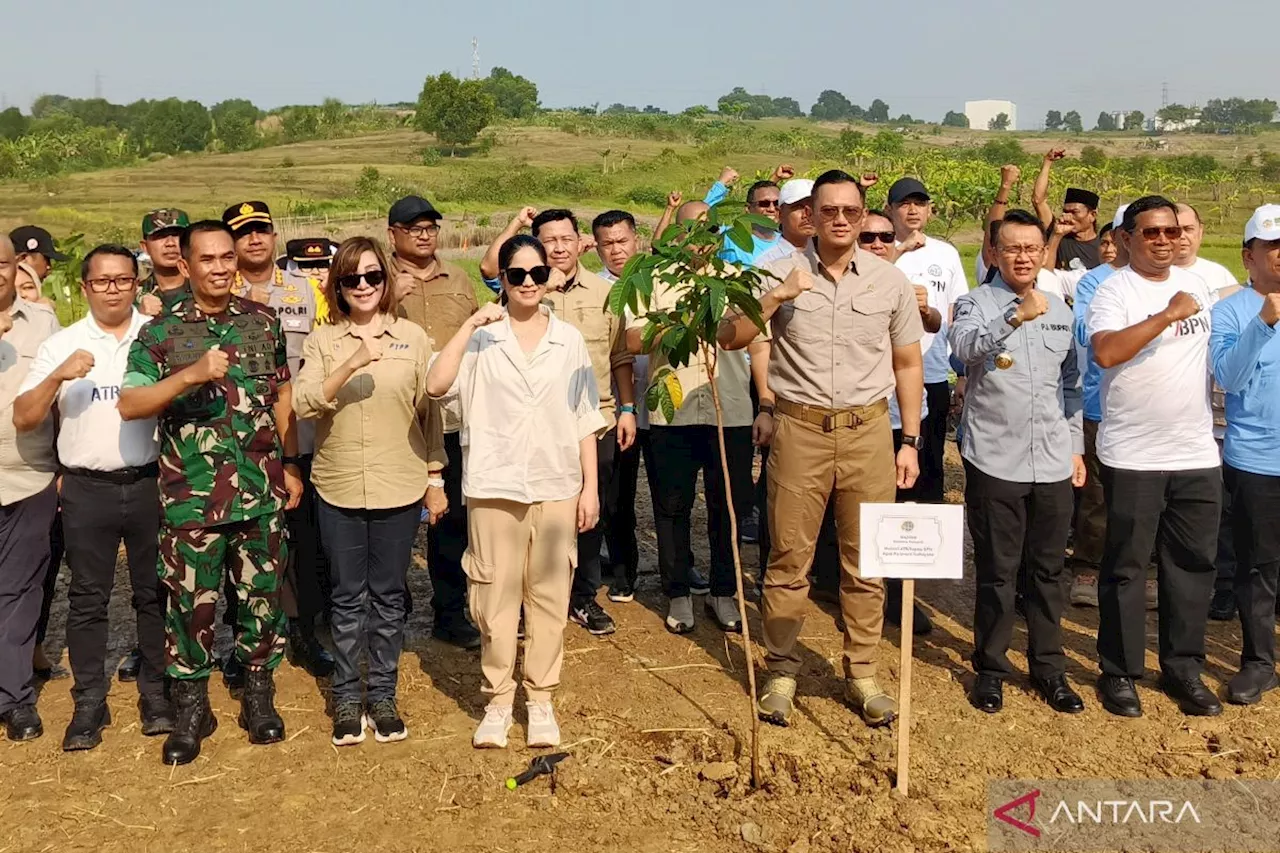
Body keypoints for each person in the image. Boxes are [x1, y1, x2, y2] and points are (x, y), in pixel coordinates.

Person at [719, 169, 925, 728]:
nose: (839, 221)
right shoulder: (776, 271)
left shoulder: (889, 282)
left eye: (850, 212)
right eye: (827, 211)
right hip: (799, 430)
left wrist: (910, 439)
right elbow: (730, 337)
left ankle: (861, 672)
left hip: (868, 433)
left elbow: (908, 363)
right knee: (789, 558)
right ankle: (781, 669)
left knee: (865, 563)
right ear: (809, 214)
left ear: (863, 216)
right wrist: (779, 295)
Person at [119, 220, 303, 764]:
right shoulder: (160, 333)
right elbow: (130, 404)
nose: (220, 267)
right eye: (208, 259)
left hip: (261, 493)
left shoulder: (262, 323)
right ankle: (192, 706)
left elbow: (283, 393)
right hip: (192, 501)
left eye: (227, 257)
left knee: (261, 601)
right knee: (189, 608)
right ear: (186, 264)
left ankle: (258, 697)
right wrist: (189, 375)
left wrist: (289, 462)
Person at [427, 234, 604, 750]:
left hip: (555, 486)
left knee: (550, 596)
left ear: (549, 277)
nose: (528, 283)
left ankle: (541, 699)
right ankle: (499, 700)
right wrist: (466, 327)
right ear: (501, 279)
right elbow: (437, 386)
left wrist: (589, 489)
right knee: (493, 599)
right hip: (494, 486)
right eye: (516, 274)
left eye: (537, 273)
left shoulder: (567, 339)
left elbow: (584, 418)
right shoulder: (482, 337)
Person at [12, 244, 171, 750]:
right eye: (102, 281)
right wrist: (59, 375)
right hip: (86, 487)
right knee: (87, 599)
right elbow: (24, 416)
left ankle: (156, 691)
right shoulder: (62, 344)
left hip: (149, 482)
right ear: (85, 287)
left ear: (136, 284)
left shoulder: (155, 337)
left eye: (123, 280)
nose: (113, 290)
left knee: (153, 592)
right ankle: (88, 702)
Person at [294, 237, 446, 745]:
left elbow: (431, 415)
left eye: (372, 276)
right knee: (346, 597)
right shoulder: (323, 341)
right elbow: (304, 404)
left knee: (388, 596)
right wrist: (355, 360)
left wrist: (435, 478)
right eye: (351, 279)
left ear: (385, 280)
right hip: (337, 486)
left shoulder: (414, 339)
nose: (362, 286)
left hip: (399, 484)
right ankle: (345, 696)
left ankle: (381, 695)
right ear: (337, 285)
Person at [1086, 195, 1222, 719]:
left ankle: (1184, 667)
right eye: (1151, 233)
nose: (1165, 240)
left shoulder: (1205, 286)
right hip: (1134, 452)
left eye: (1171, 231)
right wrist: (1167, 315)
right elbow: (1106, 353)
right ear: (1126, 239)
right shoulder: (1113, 290)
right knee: (1125, 567)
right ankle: (1119, 671)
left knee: (1191, 565)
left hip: (1195, 450)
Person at [949, 210, 1087, 715]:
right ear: (994, 252)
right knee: (997, 572)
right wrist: (1014, 315)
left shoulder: (1062, 309)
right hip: (995, 459)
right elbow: (962, 349)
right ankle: (990, 668)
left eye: (1033, 248)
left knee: (1048, 571)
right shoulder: (974, 303)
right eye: (1013, 248)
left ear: (1043, 252)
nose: (1024, 256)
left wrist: (1075, 447)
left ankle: (1050, 669)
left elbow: (1072, 385)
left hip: (1051, 459)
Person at [481, 208, 636, 637]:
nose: (560, 247)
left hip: (596, 419)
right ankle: (524, 602)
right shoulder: (521, 289)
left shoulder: (605, 292)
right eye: (549, 240)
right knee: (531, 514)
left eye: (567, 238)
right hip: (535, 427)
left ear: (581, 241)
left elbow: (620, 355)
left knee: (588, 512)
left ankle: (583, 598)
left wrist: (627, 409)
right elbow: (490, 267)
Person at [627, 204, 764, 636]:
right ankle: (678, 592)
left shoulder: (736, 279)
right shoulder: (656, 279)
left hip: (732, 412)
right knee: (671, 506)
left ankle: (725, 592)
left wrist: (769, 405)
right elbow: (634, 338)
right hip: (674, 411)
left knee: (730, 506)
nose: (700, 235)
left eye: (709, 227)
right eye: (691, 228)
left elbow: (756, 341)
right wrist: (682, 321)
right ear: (677, 234)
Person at [219, 201, 335, 682]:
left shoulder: (308, 292)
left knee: (305, 543)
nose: (254, 240)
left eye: (261, 230)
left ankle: (307, 632)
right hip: (235, 446)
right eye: (243, 233)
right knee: (238, 547)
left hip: (297, 438)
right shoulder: (215, 295)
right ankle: (243, 643)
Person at [387, 194, 483, 650]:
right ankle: (391, 614)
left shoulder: (460, 279)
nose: (424, 235)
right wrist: (390, 298)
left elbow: (479, 340)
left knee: (451, 522)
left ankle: (449, 612)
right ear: (394, 235)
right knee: (395, 523)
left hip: (451, 420)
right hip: (395, 423)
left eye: (430, 227)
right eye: (413, 228)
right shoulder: (375, 277)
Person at [1209, 204, 1280, 705]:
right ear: (1248, 255)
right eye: (1272, 246)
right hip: (1257, 457)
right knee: (1257, 566)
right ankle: (1258, 661)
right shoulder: (1230, 310)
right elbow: (1228, 379)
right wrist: (1264, 322)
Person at [861, 208, 938, 634]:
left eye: (885, 237)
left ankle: (896, 594)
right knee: (860, 509)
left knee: (902, 506)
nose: (877, 245)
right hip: (863, 415)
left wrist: (922, 309)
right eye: (868, 238)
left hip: (905, 415)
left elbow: (933, 330)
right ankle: (852, 589)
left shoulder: (907, 287)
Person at [0, 234, 61, 741]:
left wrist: (64, 462)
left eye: (0, 263)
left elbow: (61, 394)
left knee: (21, 591)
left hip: (30, 473)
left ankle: (15, 697)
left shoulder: (42, 322)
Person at [885, 177, 967, 509]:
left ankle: (925, 546)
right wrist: (897, 251)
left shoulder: (945, 253)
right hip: (882, 376)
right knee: (885, 465)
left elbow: (956, 312)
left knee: (930, 461)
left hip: (930, 371)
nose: (913, 210)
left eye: (919, 203)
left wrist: (960, 372)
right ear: (890, 209)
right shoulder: (878, 247)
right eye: (905, 203)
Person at [1068, 206, 1132, 610]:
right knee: (1096, 492)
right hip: (1099, 401)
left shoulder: (1175, 283)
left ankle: (1143, 569)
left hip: (1151, 410)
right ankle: (1088, 568)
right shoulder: (1095, 281)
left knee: (1147, 493)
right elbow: (1087, 332)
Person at [591, 209, 646, 601]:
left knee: (656, 495)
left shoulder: (656, 281)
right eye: (607, 244)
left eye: (622, 241)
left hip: (656, 406)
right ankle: (615, 568)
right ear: (595, 248)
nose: (616, 250)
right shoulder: (595, 291)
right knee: (613, 493)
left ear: (636, 240)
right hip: (614, 408)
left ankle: (631, 567)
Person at [1032, 149, 1102, 271]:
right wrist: (1047, 162)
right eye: (1066, 211)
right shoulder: (1058, 234)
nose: (1068, 217)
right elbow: (1038, 201)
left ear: (1092, 215)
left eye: (1074, 212)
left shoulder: (1104, 246)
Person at [137, 208, 192, 315]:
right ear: (145, 247)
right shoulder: (134, 295)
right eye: (160, 236)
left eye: (177, 235)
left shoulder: (206, 288)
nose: (170, 243)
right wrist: (139, 316)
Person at [1176, 203, 1238, 292]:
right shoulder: (1152, 276)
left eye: (1188, 229)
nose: (1182, 236)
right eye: (1174, 230)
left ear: (1200, 231)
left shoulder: (1220, 275)